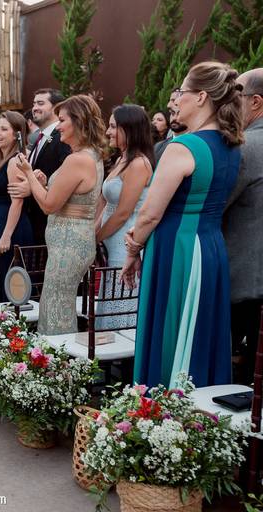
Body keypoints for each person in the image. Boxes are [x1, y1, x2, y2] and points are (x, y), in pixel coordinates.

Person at [123, 62, 244, 388]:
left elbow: (149, 214)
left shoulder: (183, 147)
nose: (176, 100)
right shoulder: (232, 147)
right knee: (200, 329)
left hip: (176, 249)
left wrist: (133, 249)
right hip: (211, 246)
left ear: (201, 96)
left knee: (171, 326)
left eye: (182, 92)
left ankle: (163, 404)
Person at [15, 95, 106, 335]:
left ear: (79, 121)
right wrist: (44, 183)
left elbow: (48, 205)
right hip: (71, 241)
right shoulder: (91, 155)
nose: (58, 127)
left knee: (56, 306)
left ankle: (58, 355)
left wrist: (29, 174)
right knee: (57, 302)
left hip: (69, 244)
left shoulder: (77, 160)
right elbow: (65, 196)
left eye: (63, 120)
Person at [94, 105, 154, 329]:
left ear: (129, 129)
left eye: (112, 126)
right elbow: (108, 203)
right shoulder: (122, 159)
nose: (108, 132)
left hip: (125, 246)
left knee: (121, 305)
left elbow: (122, 213)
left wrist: (96, 237)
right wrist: (94, 232)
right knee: (109, 300)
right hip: (111, 245)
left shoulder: (138, 164)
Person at [223, 67, 263, 384]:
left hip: (244, 276)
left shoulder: (246, 146)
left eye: (237, 96)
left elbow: (215, 205)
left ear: (256, 102)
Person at [0, 111, 34, 304]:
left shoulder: (15, 161)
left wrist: (6, 235)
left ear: (16, 134)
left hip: (11, 228)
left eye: (4, 129)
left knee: (8, 281)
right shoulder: (3, 160)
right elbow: (0, 198)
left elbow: (17, 201)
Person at [11, 89, 73, 244]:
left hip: (51, 223)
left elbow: (66, 178)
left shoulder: (62, 138)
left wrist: (32, 187)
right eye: (34, 104)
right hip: (35, 221)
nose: (34, 108)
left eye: (40, 103)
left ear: (56, 107)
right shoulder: (39, 138)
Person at [154, 91, 189, 162]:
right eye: (172, 113)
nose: (174, 118)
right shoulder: (158, 147)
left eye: (179, 113)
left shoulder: (195, 144)